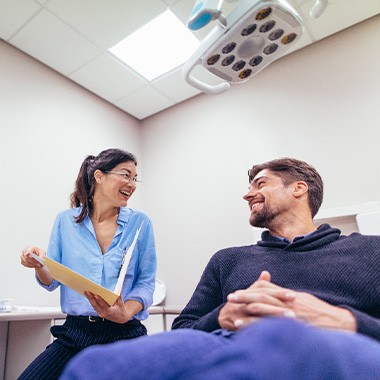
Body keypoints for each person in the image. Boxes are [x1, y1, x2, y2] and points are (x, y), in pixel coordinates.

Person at [60, 157, 380, 379]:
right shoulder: (229, 259)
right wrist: (222, 315)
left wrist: (342, 319)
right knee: (96, 366)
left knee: (284, 340)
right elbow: (183, 328)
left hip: (332, 344)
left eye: (260, 183)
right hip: (223, 342)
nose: (247, 193)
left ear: (298, 188)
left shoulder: (369, 250)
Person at [19, 148, 157, 380]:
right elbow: (51, 281)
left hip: (125, 332)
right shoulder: (65, 220)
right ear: (99, 176)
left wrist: (125, 313)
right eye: (125, 175)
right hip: (75, 333)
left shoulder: (140, 222)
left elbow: (145, 283)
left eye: (135, 178)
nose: (132, 184)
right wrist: (39, 264)